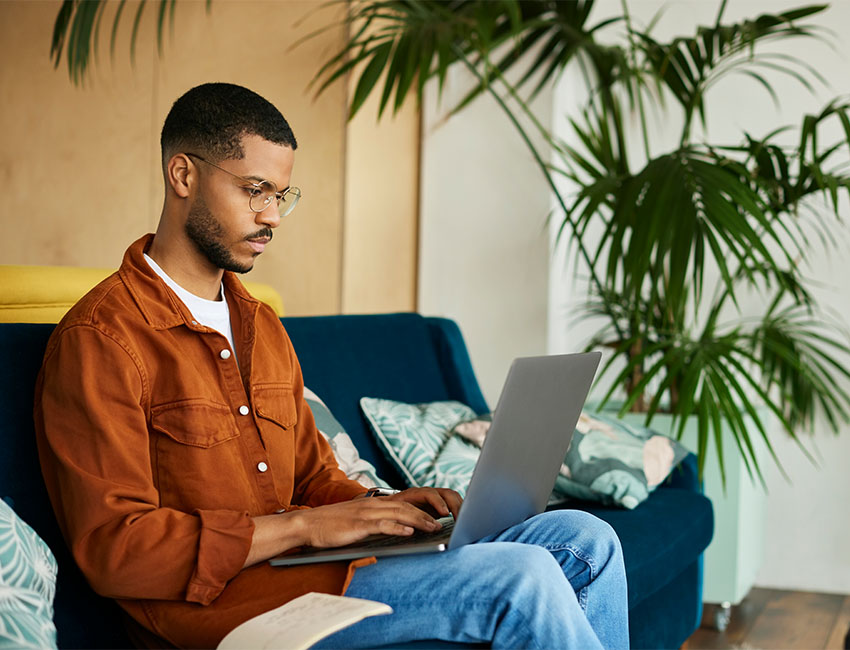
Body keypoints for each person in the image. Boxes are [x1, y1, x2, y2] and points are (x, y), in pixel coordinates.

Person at [34, 82, 629, 649]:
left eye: (281, 196)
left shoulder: (260, 327)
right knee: (523, 578)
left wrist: (388, 507)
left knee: (586, 539)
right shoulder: (101, 340)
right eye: (254, 190)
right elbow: (117, 550)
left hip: (316, 570)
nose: (270, 216)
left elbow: (313, 480)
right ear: (183, 174)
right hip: (228, 610)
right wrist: (301, 529)